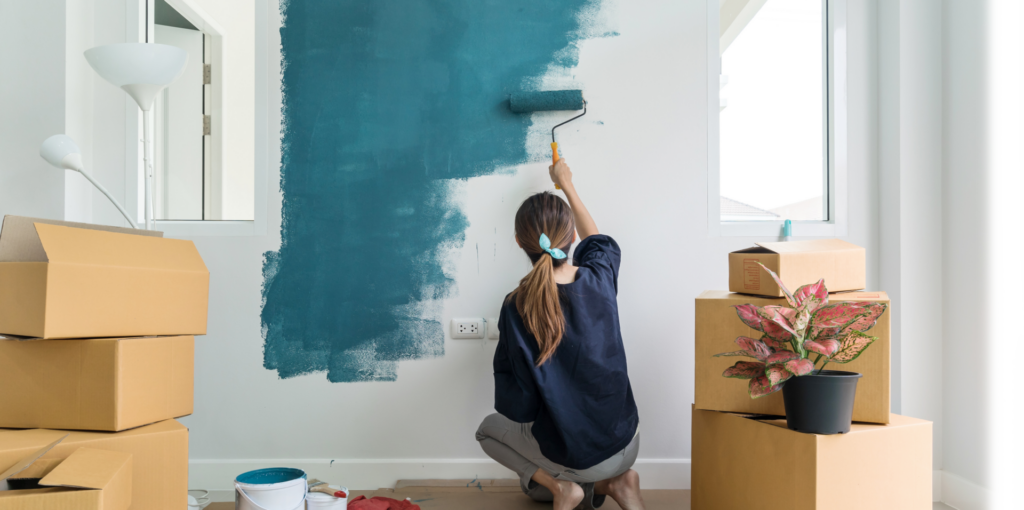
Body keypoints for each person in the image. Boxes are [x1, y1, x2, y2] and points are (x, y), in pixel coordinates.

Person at [476, 160, 644, 510]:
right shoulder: (599, 278)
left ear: (520, 242)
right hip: (629, 441)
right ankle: (618, 480)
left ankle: (565, 488)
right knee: (567, 463)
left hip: (582, 455)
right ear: (571, 239)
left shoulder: (516, 306)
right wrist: (566, 183)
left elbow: (521, 407)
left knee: (487, 430)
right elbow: (597, 239)